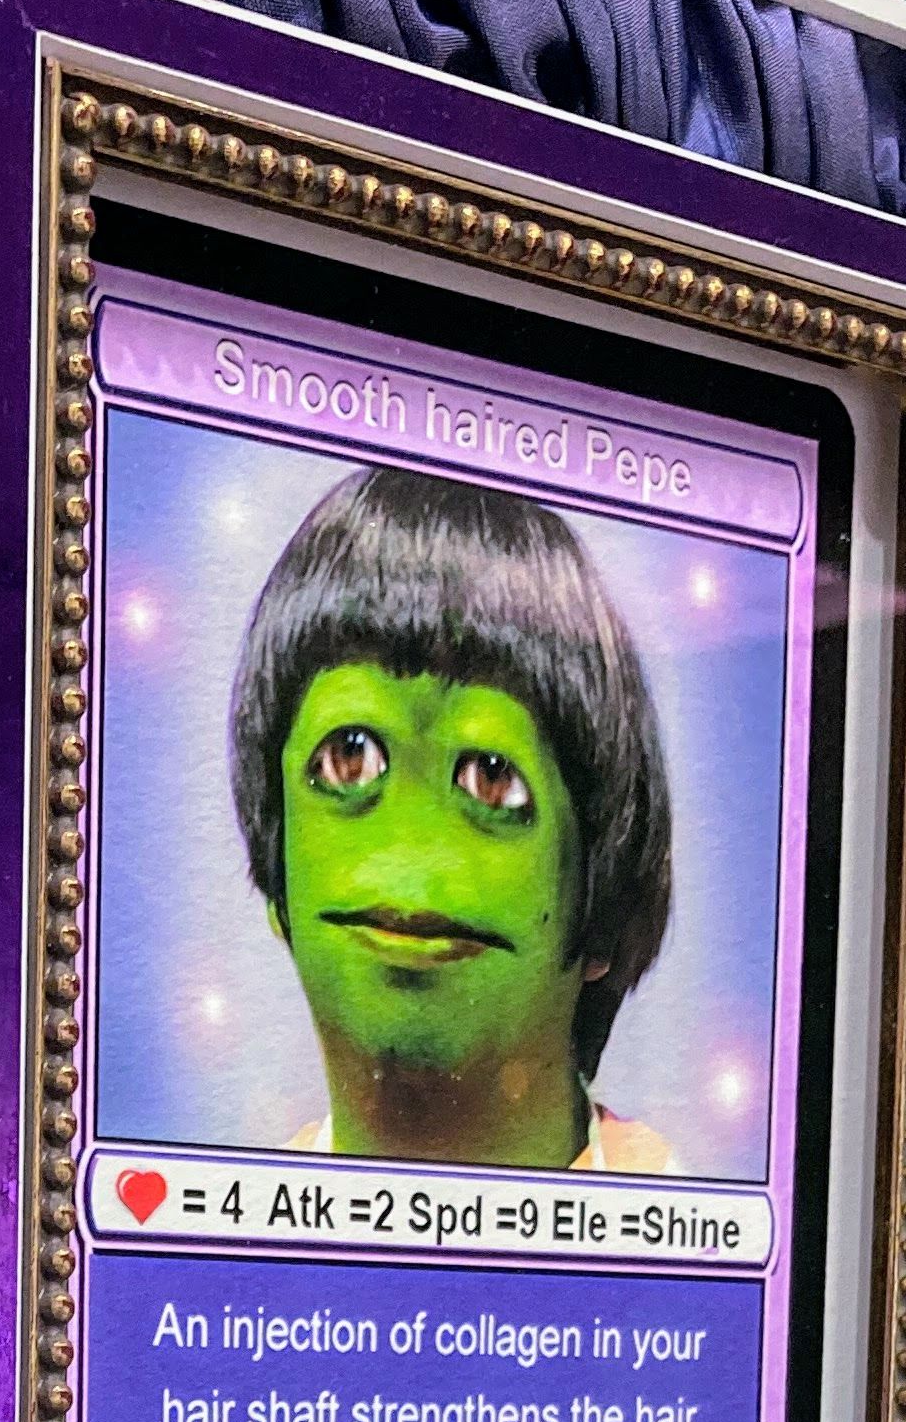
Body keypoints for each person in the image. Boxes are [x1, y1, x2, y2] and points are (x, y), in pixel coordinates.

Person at [226, 463, 677, 1170]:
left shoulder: (674, 1208)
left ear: (601, 901)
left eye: (493, 780)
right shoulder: (230, 1211)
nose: (413, 850)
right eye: (349, 759)